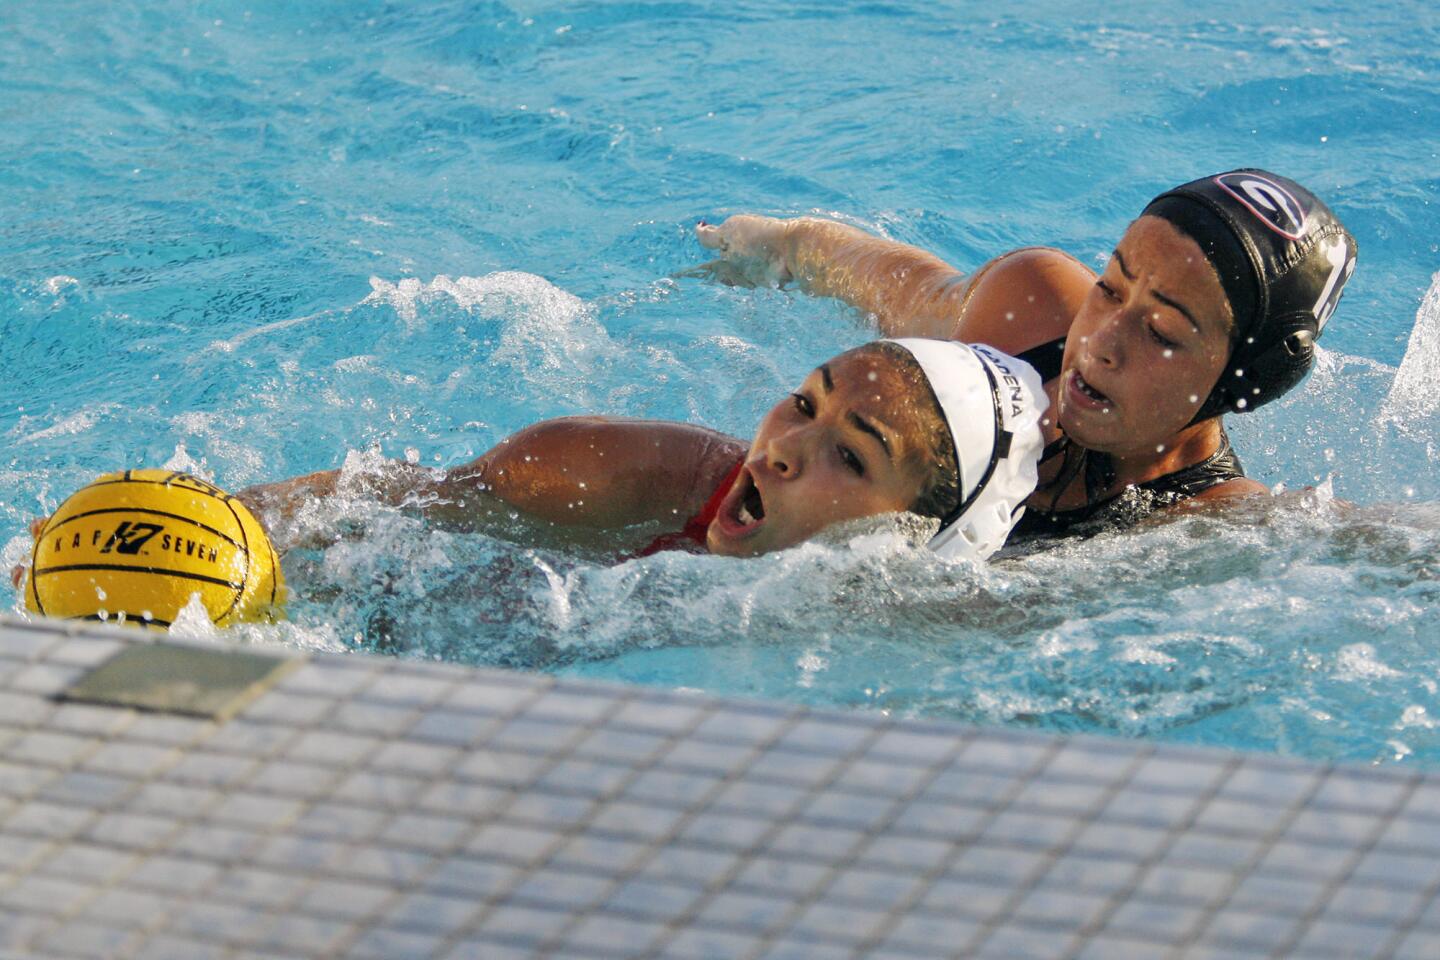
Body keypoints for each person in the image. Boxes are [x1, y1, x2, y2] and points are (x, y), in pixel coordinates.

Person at [695, 169, 1358, 536]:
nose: (1098, 341)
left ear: (1242, 381)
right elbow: (893, 285)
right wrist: (783, 245)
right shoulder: (1029, 313)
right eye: (1110, 286)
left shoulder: (1208, 523)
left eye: (1160, 332)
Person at [236, 339, 1048, 562]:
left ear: (916, 530)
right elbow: (388, 502)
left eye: (854, 455)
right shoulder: (610, 470)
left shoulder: (934, 616)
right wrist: (229, 523)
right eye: (805, 401)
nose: (784, 449)